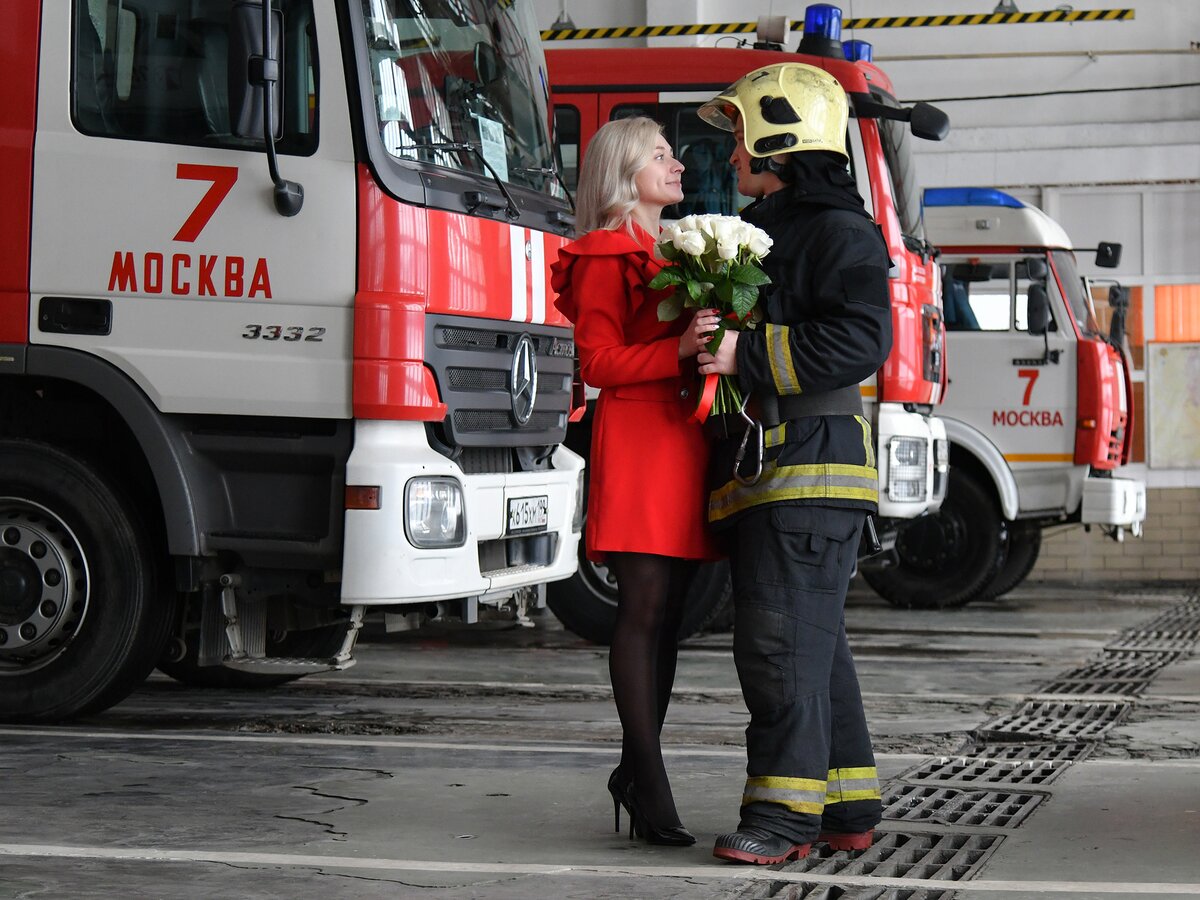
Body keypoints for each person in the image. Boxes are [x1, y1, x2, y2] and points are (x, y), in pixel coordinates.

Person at [693, 63, 891, 864]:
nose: (730, 153)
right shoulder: (791, 227)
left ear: (781, 137)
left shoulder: (838, 232)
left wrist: (744, 349)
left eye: (740, 136)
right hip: (784, 471)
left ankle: (782, 821)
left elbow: (860, 341)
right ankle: (846, 806)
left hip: (807, 473)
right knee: (813, 649)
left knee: (778, 649)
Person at [549, 117, 722, 846]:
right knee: (644, 608)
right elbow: (596, 364)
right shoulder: (603, 255)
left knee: (672, 612)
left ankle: (634, 769)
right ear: (624, 172)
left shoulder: (673, 250)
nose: (676, 163)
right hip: (641, 439)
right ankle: (649, 783)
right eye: (660, 155)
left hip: (683, 438)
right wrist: (680, 349)